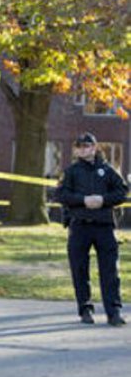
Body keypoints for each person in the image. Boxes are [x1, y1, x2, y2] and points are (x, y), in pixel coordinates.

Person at [56, 132, 128, 326]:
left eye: (87, 146)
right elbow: (61, 194)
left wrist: (103, 200)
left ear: (95, 148)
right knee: (79, 269)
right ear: (76, 150)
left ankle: (113, 312)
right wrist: (83, 201)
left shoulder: (107, 170)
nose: (84, 149)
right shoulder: (71, 172)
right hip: (79, 226)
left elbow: (122, 192)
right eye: (80, 147)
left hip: (104, 226)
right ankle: (85, 309)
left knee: (110, 271)